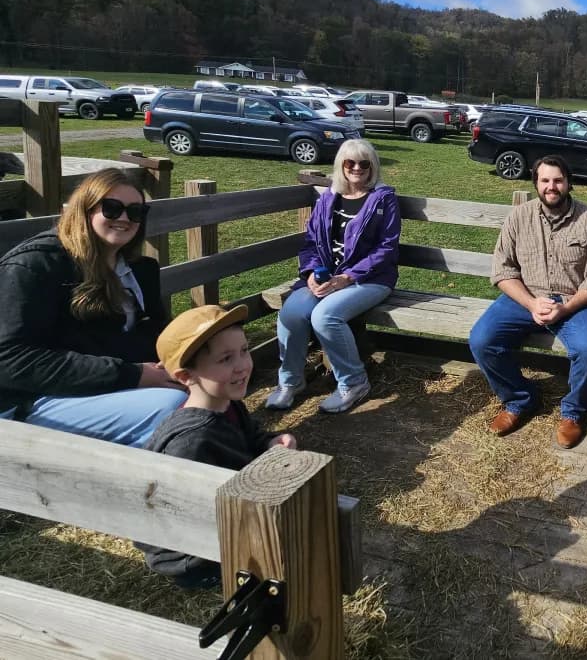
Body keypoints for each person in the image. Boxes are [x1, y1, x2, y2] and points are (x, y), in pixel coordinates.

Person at [0, 168, 184, 446]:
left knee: (204, 389)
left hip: (102, 386)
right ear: (84, 211)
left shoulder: (139, 270)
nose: (124, 218)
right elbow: (10, 359)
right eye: (111, 208)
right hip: (31, 400)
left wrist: (189, 362)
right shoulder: (36, 266)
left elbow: (151, 336)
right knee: (173, 405)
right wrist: (132, 375)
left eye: (135, 212)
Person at [142, 304, 298, 588]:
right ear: (186, 377)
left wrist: (270, 443)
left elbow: (251, 437)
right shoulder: (192, 442)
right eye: (226, 359)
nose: (243, 365)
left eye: (244, 350)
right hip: (195, 557)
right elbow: (185, 515)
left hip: (229, 516)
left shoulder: (229, 404)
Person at [469, 155, 587, 449]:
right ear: (536, 183)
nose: (552, 187)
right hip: (525, 297)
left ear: (568, 182)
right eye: (545, 180)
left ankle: (574, 412)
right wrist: (532, 303)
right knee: (482, 340)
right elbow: (503, 270)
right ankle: (520, 399)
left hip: (574, 302)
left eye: (558, 180)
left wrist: (566, 307)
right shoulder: (518, 217)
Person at [266, 139, 400, 414]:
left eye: (365, 163)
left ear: (373, 167)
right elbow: (312, 242)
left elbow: (386, 248)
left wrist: (348, 277)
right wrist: (312, 274)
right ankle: (290, 382)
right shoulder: (328, 198)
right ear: (340, 165)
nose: (357, 168)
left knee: (325, 316)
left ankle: (354, 383)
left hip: (370, 279)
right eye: (350, 162)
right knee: (291, 312)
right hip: (328, 278)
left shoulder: (383, 198)